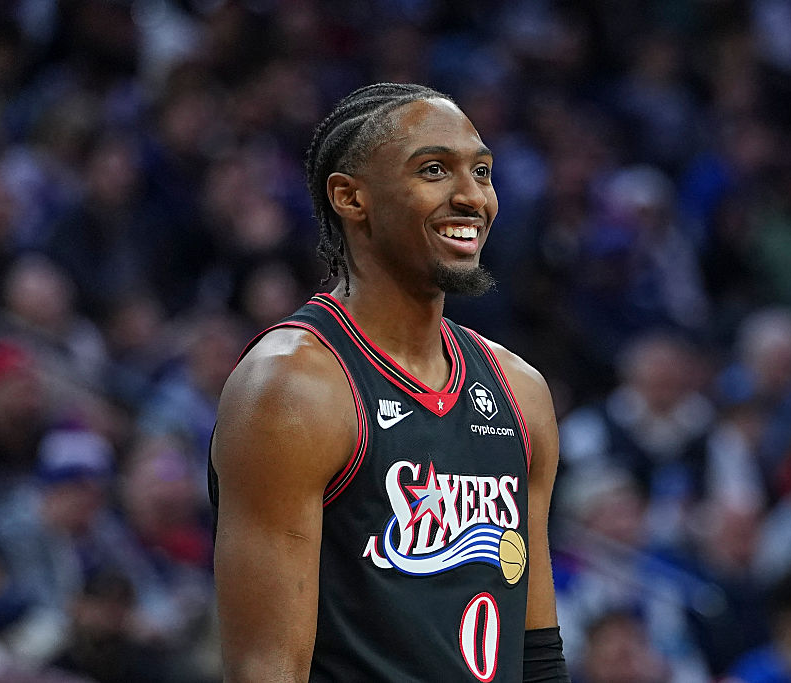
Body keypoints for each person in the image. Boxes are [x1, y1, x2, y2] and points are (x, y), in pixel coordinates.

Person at [208, 83, 568, 682]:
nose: (471, 196)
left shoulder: (520, 390)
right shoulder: (291, 388)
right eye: (434, 170)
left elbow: (538, 655)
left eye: (481, 172)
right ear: (351, 197)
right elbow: (265, 669)